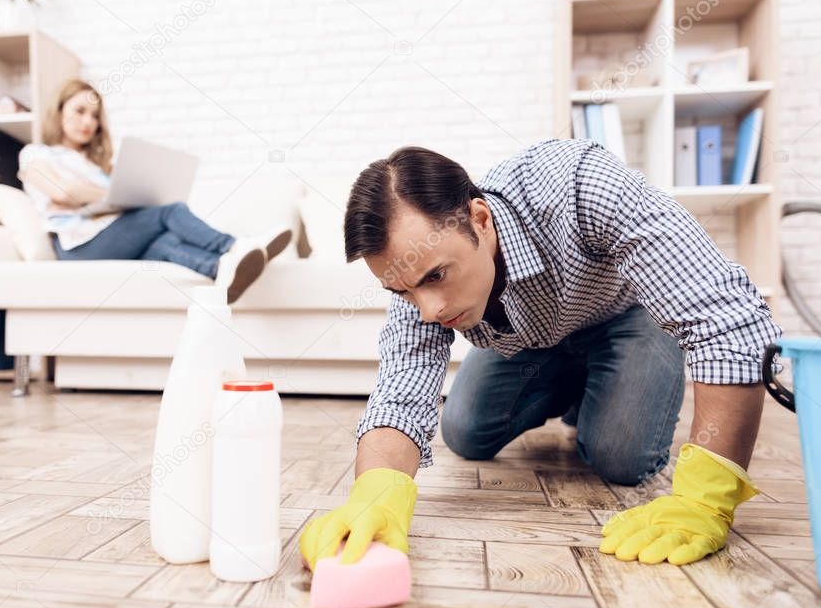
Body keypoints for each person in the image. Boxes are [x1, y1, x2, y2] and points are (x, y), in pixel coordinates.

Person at [299, 139, 780, 571]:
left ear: (480, 220)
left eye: (436, 277)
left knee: (622, 457)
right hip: (534, 345)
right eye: (402, 291)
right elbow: (402, 387)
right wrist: (375, 495)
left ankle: (602, 390)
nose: (427, 310)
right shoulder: (416, 272)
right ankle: (580, 388)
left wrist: (705, 499)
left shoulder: (581, 185)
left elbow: (728, 318)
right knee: (464, 430)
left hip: (624, 319)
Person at [17, 79, 291, 303]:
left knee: (166, 243)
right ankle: (235, 245)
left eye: (95, 116)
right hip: (78, 246)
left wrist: (111, 195)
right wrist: (115, 196)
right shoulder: (37, 154)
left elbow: (79, 195)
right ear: (59, 110)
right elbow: (63, 192)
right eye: (80, 111)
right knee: (169, 212)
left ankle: (222, 270)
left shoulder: (98, 168)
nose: (88, 122)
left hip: (108, 234)